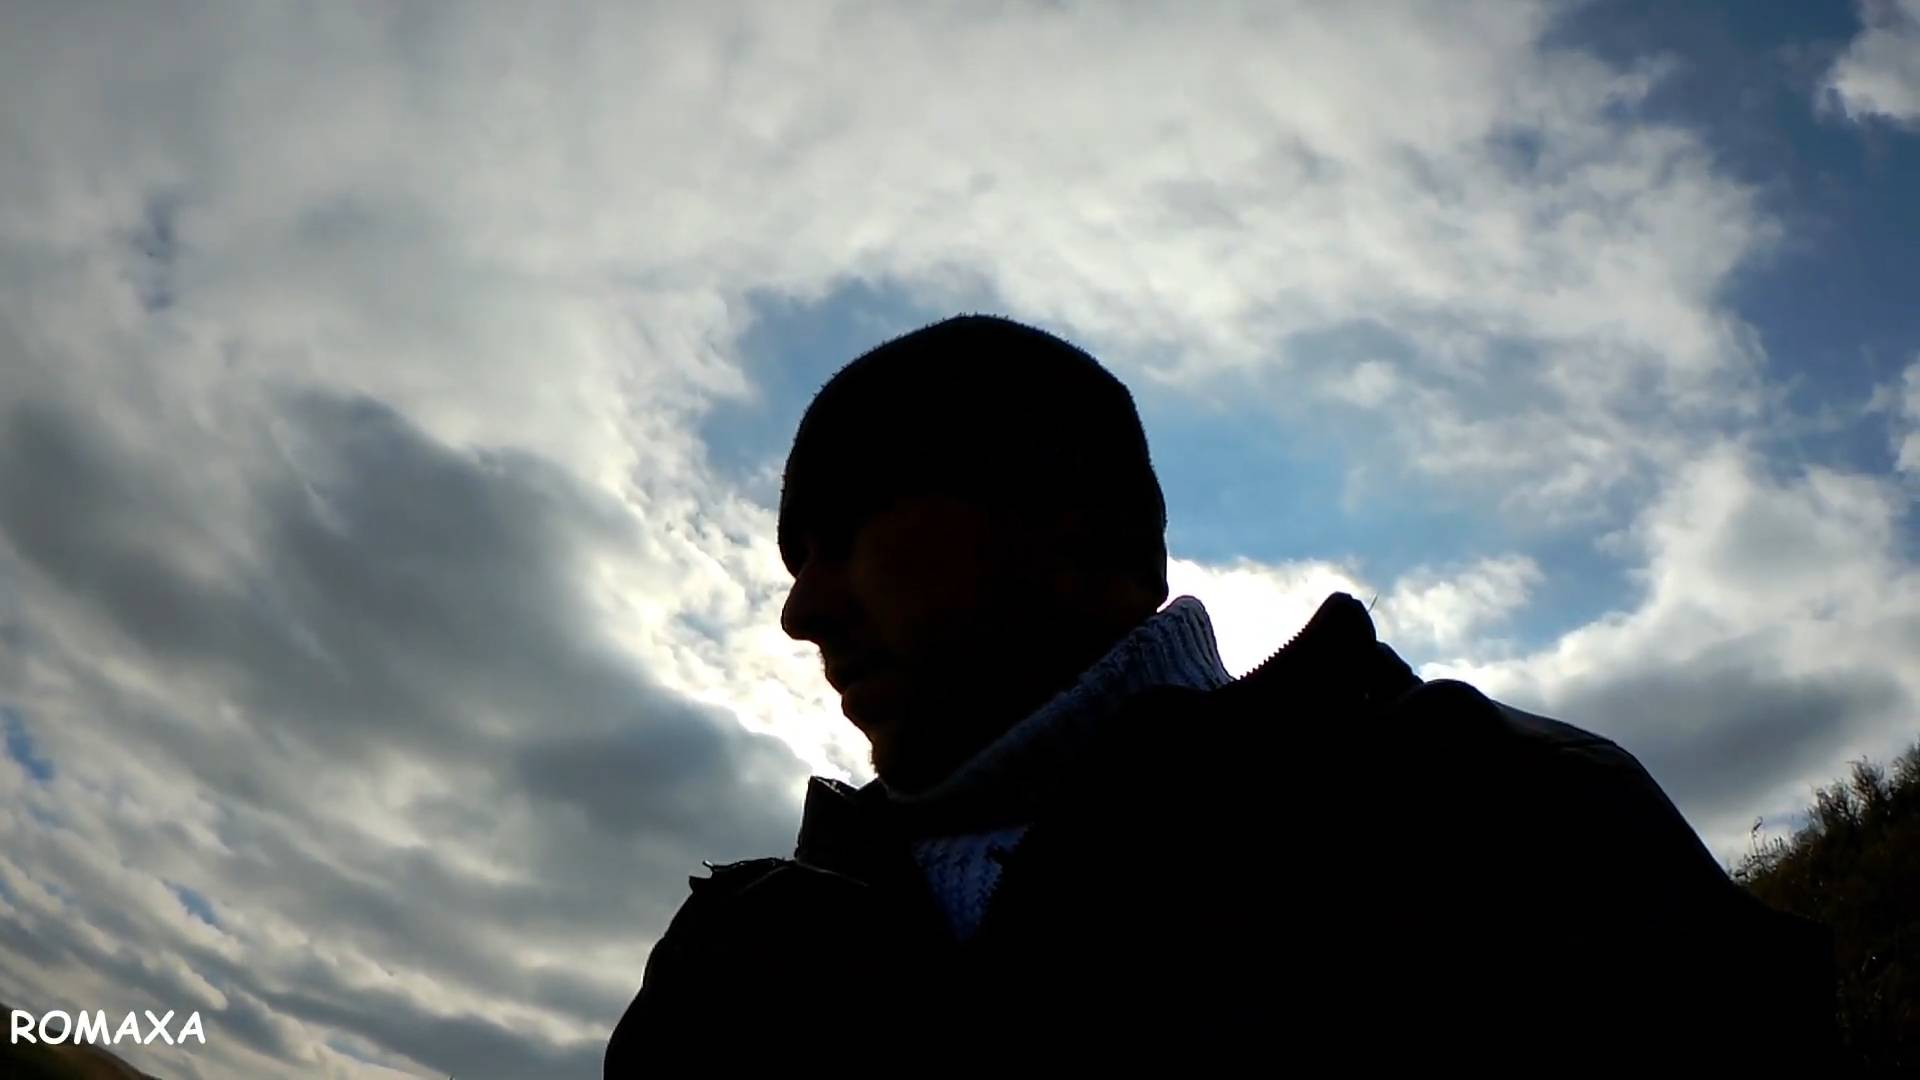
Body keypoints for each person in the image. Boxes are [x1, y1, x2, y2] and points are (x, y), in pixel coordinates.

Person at [605, 314, 1832, 1070]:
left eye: (841, 538)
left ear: (1071, 519)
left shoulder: (1503, 810)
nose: (800, 611)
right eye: (790, 565)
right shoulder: (734, 958)